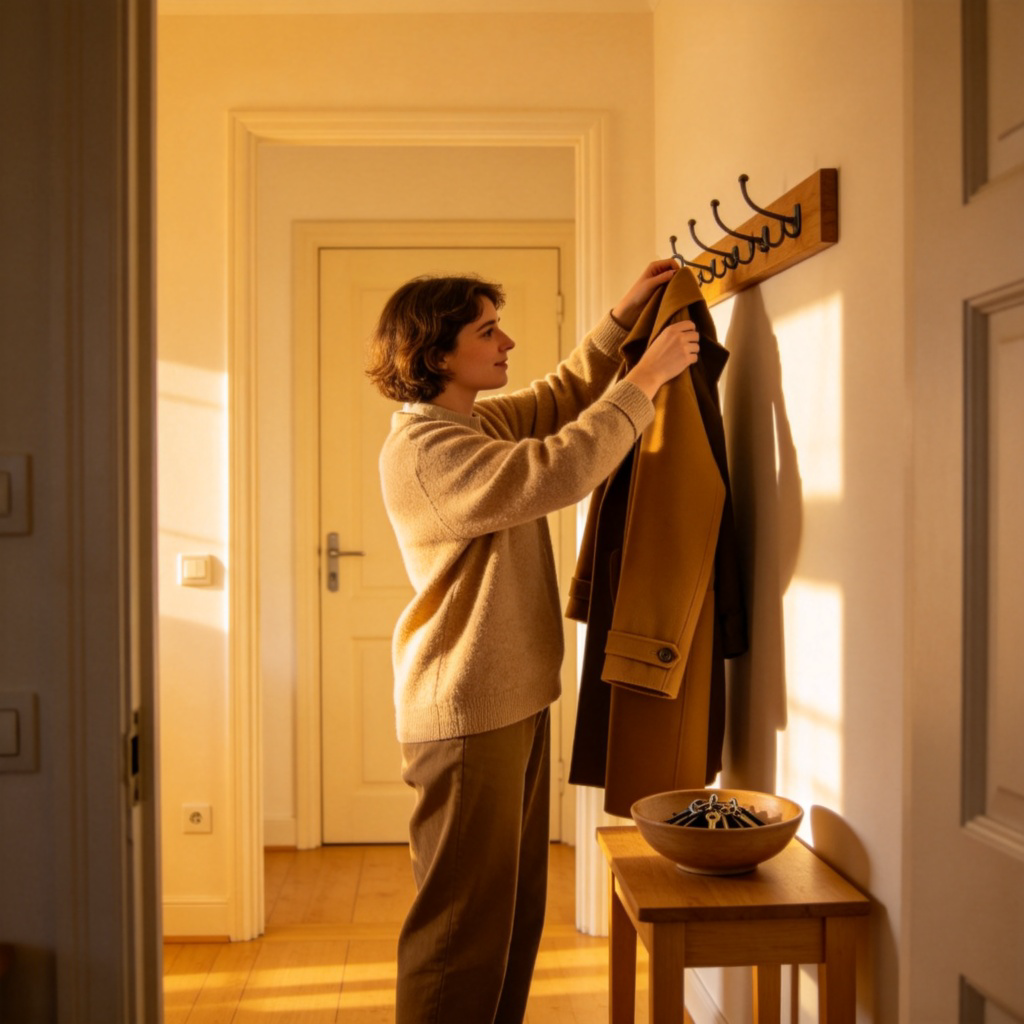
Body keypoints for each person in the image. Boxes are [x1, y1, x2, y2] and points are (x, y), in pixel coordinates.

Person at [366, 259, 700, 1024]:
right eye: (487, 331)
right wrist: (643, 380)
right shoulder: (427, 453)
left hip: (506, 698)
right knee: (457, 929)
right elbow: (559, 468)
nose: (507, 340)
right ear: (437, 353)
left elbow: (556, 402)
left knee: (509, 917)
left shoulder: (465, 423)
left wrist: (620, 322)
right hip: (465, 711)